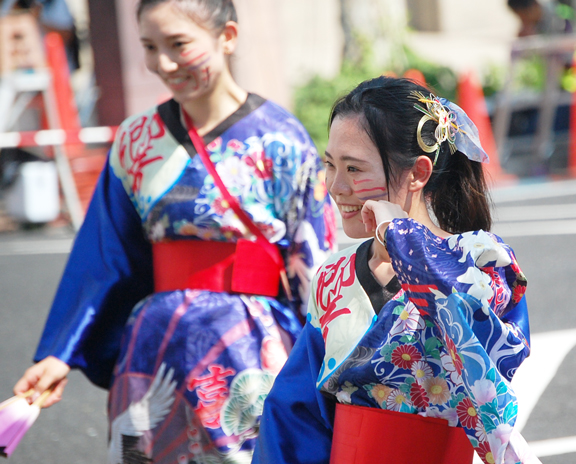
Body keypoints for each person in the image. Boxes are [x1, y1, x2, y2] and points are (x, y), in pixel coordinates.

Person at [13, 0, 335, 462]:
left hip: (251, 351)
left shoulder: (282, 139)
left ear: (227, 37)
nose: (162, 63)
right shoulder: (134, 140)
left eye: (178, 44)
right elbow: (104, 256)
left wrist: (323, 368)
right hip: (153, 351)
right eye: (149, 46)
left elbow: (316, 263)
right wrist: (59, 354)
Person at [253, 76, 540, 464]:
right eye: (330, 165)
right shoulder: (333, 277)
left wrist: (398, 233)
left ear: (418, 173)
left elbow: (466, 323)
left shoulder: (481, 258)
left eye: (354, 169)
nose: (336, 187)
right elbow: (294, 412)